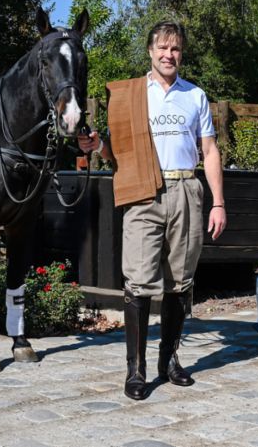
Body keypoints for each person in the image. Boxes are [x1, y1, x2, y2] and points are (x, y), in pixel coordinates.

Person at [77, 21, 226, 400]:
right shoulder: (129, 95)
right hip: (144, 193)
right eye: (162, 48)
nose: (168, 55)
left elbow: (209, 151)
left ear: (181, 53)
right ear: (149, 51)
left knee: (180, 281)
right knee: (139, 281)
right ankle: (136, 370)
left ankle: (169, 361)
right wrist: (97, 145)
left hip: (186, 191)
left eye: (175, 49)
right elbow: (115, 153)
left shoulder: (195, 96)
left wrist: (218, 202)